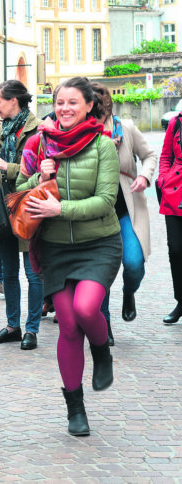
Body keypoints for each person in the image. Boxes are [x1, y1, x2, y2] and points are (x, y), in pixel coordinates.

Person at [16, 77, 120, 437]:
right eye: (60, 102)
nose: (65, 109)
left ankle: (102, 349)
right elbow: (20, 194)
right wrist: (38, 176)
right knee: (69, 325)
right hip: (56, 247)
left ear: (89, 105)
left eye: (73, 102)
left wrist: (60, 209)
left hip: (99, 243)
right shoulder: (40, 142)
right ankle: (75, 407)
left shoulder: (104, 146)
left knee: (87, 310)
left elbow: (106, 201)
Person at [91, 83, 156, 339]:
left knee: (133, 262)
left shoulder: (125, 128)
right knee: (101, 270)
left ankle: (129, 291)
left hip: (126, 205)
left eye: (100, 112)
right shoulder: (80, 130)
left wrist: (144, 177)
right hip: (96, 208)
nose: (97, 118)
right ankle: (103, 324)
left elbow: (150, 155)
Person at [0, 80, 44, 350]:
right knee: (8, 271)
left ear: (14, 101)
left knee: (33, 273)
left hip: (28, 205)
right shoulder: (1, 129)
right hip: (3, 207)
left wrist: (7, 167)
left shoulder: (37, 128)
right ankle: (12, 326)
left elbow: (41, 169)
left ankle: (31, 329)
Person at [157, 106, 182, 324]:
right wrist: (163, 179)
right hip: (175, 191)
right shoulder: (176, 122)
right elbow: (165, 155)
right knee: (175, 249)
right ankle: (181, 300)